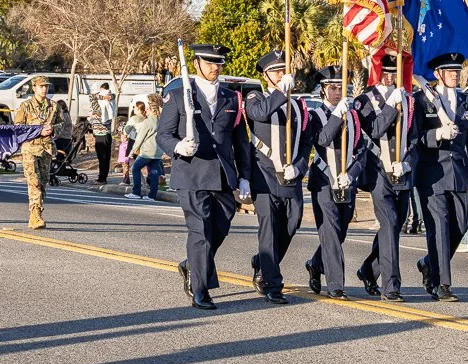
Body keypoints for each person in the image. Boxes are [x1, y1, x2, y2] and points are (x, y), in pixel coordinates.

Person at [157, 43, 250, 310]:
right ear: (196, 63)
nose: (215, 68)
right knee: (200, 230)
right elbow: (163, 135)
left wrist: (244, 176)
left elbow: (240, 141)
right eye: (209, 63)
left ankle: (192, 264)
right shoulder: (178, 95)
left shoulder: (231, 98)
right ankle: (200, 289)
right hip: (192, 172)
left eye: (218, 63)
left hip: (222, 174)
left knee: (219, 228)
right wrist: (178, 146)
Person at [414, 52, 468, 301]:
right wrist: (437, 135)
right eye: (450, 71)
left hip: (460, 174)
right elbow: (414, 138)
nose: (455, 75)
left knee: (461, 225)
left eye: (457, 71)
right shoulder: (422, 101)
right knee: (439, 229)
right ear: (438, 74)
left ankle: (429, 263)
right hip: (432, 175)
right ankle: (441, 284)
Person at [245, 49, 313, 305]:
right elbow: (260, 114)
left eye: (284, 70)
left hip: (291, 176)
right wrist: (280, 92)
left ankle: (262, 261)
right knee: (270, 229)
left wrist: (300, 166)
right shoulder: (256, 97)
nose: (281, 74)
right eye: (275, 71)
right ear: (266, 76)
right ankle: (272, 283)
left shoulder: (298, 104)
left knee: (292, 223)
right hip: (264, 174)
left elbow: (306, 140)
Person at [353, 56, 419, 302]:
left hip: (402, 172)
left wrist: (408, 162)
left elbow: (414, 137)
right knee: (390, 224)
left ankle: (368, 271)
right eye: (386, 72)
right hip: (378, 172)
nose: (390, 77)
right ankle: (391, 286)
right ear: (377, 73)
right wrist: (391, 106)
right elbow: (374, 130)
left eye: (394, 73)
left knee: (395, 226)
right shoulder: (364, 101)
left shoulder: (408, 101)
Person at [304, 66, 367, 300]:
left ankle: (315, 263)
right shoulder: (315, 116)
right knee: (330, 232)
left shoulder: (352, 117)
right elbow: (322, 139)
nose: (338, 92)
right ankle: (336, 285)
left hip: (346, 181)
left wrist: (352, 173)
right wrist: (336, 116)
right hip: (323, 181)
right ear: (322, 90)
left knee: (340, 231)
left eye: (341, 88)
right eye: (332, 88)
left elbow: (361, 149)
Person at [14, 75, 61, 229]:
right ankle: (36, 214)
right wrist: (37, 131)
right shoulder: (26, 106)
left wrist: (53, 129)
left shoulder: (54, 106)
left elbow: (62, 124)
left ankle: (35, 213)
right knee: (33, 180)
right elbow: (18, 127)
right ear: (34, 88)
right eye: (41, 86)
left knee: (43, 182)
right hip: (30, 148)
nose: (44, 89)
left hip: (46, 149)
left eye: (46, 86)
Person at [127, 98, 162, 202]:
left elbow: (140, 138)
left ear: (152, 110)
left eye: (147, 109)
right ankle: (152, 195)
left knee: (135, 168)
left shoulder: (148, 121)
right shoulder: (160, 121)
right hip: (158, 151)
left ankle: (136, 192)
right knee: (154, 173)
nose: (145, 110)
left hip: (147, 151)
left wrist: (133, 151)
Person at [87, 93, 112, 185]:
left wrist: (101, 96)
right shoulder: (109, 106)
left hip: (101, 135)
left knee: (102, 157)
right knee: (106, 157)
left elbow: (91, 96)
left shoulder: (98, 108)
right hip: (107, 134)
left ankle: (102, 178)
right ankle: (103, 177)